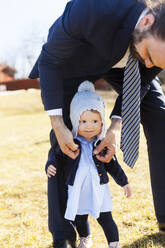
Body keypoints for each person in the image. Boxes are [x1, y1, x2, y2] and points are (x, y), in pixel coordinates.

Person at [29, 0, 165, 246]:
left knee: (161, 119)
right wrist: (59, 124)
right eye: (149, 56)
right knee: (66, 142)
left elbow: (142, 78)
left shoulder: (155, 55)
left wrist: (115, 127)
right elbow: (49, 60)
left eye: (155, 64)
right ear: (146, 22)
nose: (150, 65)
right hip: (73, 61)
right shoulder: (92, 8)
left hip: (125, 63)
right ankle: (63, 235)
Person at [47, 81, 132, 248]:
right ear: (74, 121)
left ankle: (114, 243)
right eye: (83, 121)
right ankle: (85, 237)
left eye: (94, 121)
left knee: (106, 217)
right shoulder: (70, 143)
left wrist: (124, 182)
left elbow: (113, 166)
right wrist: (49, 164)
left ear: (102, 124)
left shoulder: (100, 146)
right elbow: (56, 156)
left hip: (98, 188)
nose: (88, 126)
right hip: (78, 188)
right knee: (80, 217)